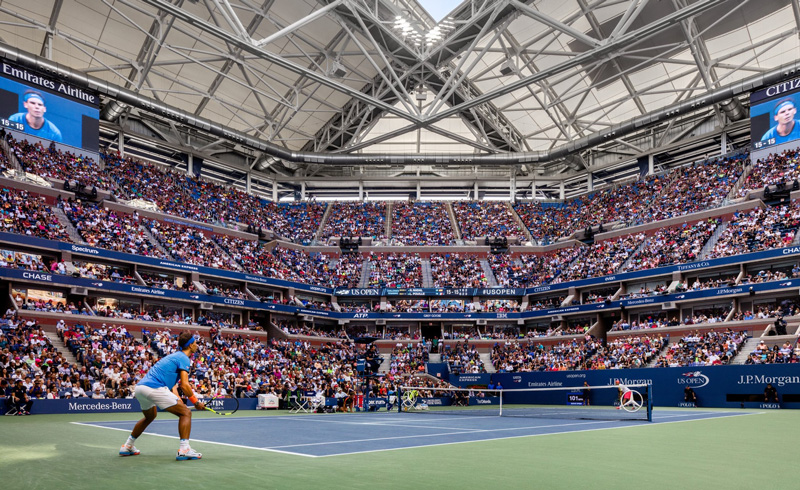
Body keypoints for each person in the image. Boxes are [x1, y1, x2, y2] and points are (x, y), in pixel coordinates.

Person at [120, 332, 205, 460]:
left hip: (141, 388)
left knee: (150, 416)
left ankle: (127, 446)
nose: (197, 345)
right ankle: (184, 449)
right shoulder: (183, 358)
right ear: (190, 345)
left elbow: (174, 386)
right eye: (195, 343)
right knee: (186, 413)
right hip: (154, 388)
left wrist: (179, 401)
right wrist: (196, 402)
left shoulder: (173, 357)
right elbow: (185, 385)